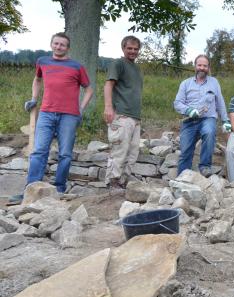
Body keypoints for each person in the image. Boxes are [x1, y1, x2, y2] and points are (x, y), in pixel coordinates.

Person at [9, 32, 93, 204]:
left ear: (67, 48)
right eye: (56, 43)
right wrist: (33, 99)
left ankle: (60, 189)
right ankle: (31, 190)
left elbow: (89, 89)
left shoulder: (76, 66)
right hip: (46, 113)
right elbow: (37, 80)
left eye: (62, 45)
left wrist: (81, 109)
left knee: (65, 154)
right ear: (51, 44)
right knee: (39, 151)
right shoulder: (43, 62)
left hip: (69, 115)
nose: (58, 47)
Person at [174, 54, 230, 176]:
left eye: (205, 66)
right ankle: (182, 178)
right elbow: (177, 103)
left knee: (209, 132)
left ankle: (205, 166)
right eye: (199, 65)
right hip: (189, 121)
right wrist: (189, 110)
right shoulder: (185, 83)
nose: (202, 68)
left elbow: (220, 102)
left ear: (208, 67)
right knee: (185, 152)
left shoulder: (214, 82)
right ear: (195, 66)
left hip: (207, 118)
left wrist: (225, 120)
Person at [103, 35, 143, 190]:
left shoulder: (136, 68)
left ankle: (123, 182)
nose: (133, 51)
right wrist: (108, 107)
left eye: (135, 49)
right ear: (123, 48)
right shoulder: (118, 64)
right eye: (129, 48)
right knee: (119, 151)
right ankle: (112, 182)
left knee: (132, 153)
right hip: (121, 115)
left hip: (135, 117)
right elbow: (108, 85)